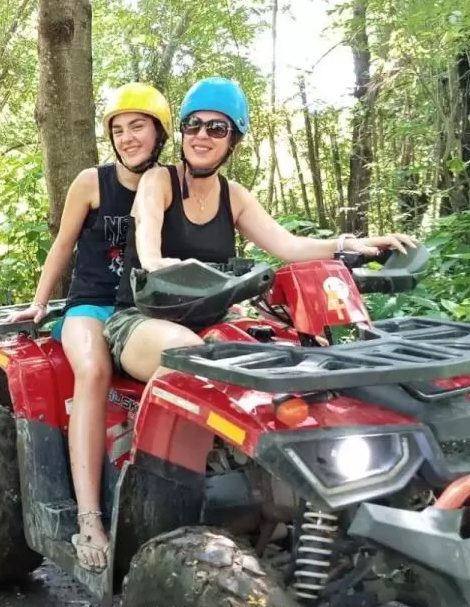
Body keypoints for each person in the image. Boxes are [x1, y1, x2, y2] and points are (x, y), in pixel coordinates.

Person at [103, 76, 418, 386]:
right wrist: (154, 263)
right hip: (140, 318)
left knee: (299, 354)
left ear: (233, 140)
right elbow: (146, 230)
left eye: (216, 128)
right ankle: (146, 439)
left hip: (214, 317)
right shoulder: (158, 181)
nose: (202, 135)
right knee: (189, 358)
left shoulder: (234, 196)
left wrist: (351, 243)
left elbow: (288, 246)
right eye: (193, 125)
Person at [7, 82, 172, 570]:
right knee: (94, 372)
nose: (127, 137)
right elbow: (63, 245)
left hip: (144, 311)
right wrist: (41, 303)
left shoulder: (167, 182)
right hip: (90, 307)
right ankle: (89, 518)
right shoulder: (91, 182)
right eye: (118, 130)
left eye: (137, 127)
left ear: (159, 133)